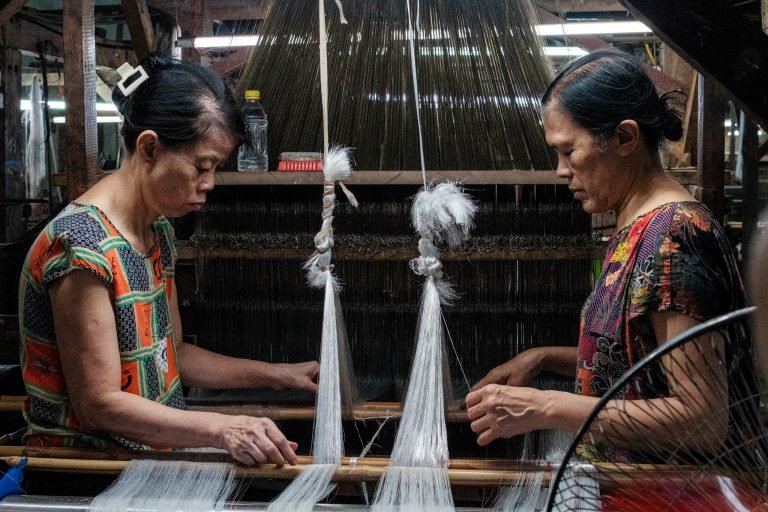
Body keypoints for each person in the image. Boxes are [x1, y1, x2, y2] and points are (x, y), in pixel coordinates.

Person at [18, 53, 319, 466]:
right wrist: (221, 429)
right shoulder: (82, 248)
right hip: (90, 471)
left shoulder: (157, 232)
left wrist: (279, 375)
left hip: (153, 462)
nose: (209, 184)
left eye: (215, 169)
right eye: (202, 166)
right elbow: (99, 404)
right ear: (149, 148)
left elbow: (173, 352)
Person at [466, 49, 745, 459]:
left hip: (670, 489)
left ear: (625, 138)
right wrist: (543, 358)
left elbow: (702, 420)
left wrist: (546, 406)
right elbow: (638, 362)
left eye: (568, 150)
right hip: (630, 485)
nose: (561, 170)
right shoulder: (638, 229)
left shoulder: (674, 239)